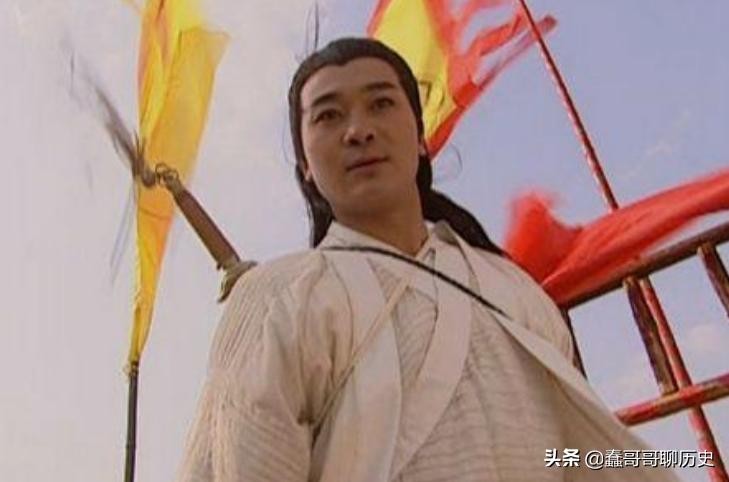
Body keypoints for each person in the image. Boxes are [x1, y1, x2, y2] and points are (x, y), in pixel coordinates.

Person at [177, 38, 681, 482]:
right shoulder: (279, 297)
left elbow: (570, 455)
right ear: (305, 166)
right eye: (328, 115)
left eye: (381, 104)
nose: (358, 130)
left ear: (420, 137)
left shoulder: (515, 291)